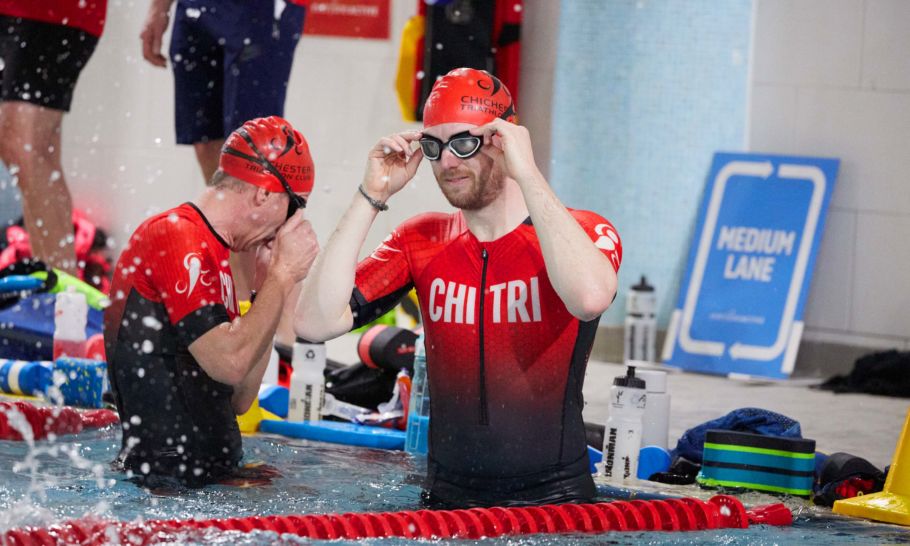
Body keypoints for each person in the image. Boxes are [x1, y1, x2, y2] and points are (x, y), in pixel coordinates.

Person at [295, 68, 623, 507]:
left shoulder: (582, 232)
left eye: (464, 143)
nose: (447, 162)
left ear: (505, 139)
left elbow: (589, 298)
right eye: (434, 146)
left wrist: (527, 172)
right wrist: (371, 195)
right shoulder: (421, 241)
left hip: (554, 504)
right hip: (446, 504)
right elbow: (313, 323)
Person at [104, 116, 319, 487]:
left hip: (206, 481)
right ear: (264, 194)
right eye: (295, 206)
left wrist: (270, 285)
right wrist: (283, 276)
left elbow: (240, 397)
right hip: (164, 490)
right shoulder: (174, 234)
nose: (292, 223)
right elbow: (230, 363)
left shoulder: (216, 254)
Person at [140, 0, 306, 184]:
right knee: (205, 137)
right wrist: (159, 7)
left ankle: (254, 210)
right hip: (195, 6)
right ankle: (224, 209)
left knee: (252, 142)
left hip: (260, 8)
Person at [0, 0, 107, 274]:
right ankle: (58, 289)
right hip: (17, 10)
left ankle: (61, 290)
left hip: (52, 11)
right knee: (32, 151)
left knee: (25, 146)